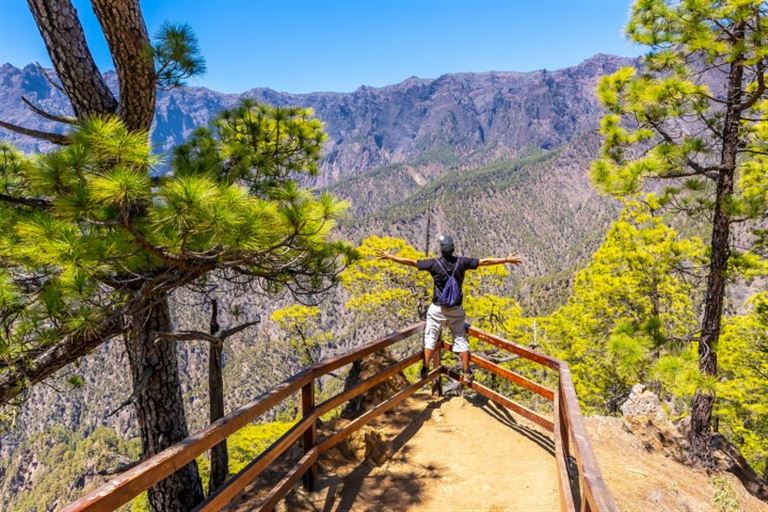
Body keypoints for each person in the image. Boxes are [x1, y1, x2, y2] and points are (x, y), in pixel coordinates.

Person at [378, 234, 523, 383]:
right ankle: (467, 372)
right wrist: (506, 259)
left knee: (430, 338)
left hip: (437, 309)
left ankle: (425, 368)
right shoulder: (462, 262)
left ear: (441, 250)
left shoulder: (434, 264)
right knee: (460, 339)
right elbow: (484, 261)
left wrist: (391, 257)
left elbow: (412, 262)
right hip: (456, 309)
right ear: (453, 249)